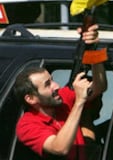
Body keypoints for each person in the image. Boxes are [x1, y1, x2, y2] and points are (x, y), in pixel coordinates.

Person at [13, 24, 107, 159]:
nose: (56, 86)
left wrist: (93, 49)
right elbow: (59, 148)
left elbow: (99, 86)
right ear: (31, 99)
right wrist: (79, 102)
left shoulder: (62, 98)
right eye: (47, 85)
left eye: (52, 80)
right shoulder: (27, 126)